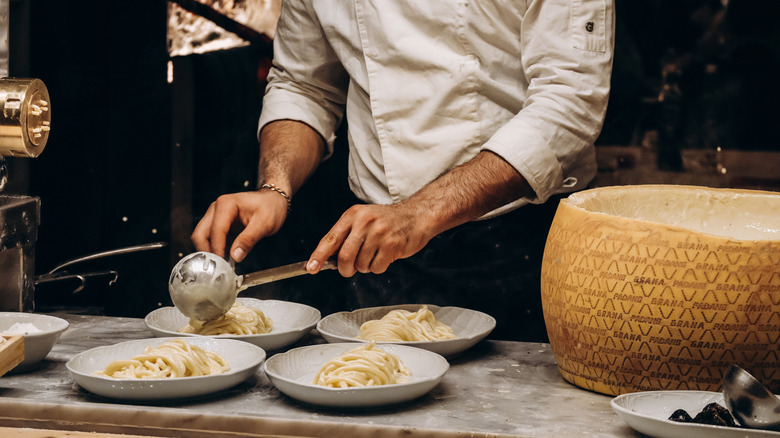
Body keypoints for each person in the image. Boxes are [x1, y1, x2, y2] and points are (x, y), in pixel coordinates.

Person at [192, 0, 615, 341]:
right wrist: (275, 186)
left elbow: (569, 102)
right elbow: (305, 84)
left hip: (522, 241)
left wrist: (417, 214)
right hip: (381, 255)